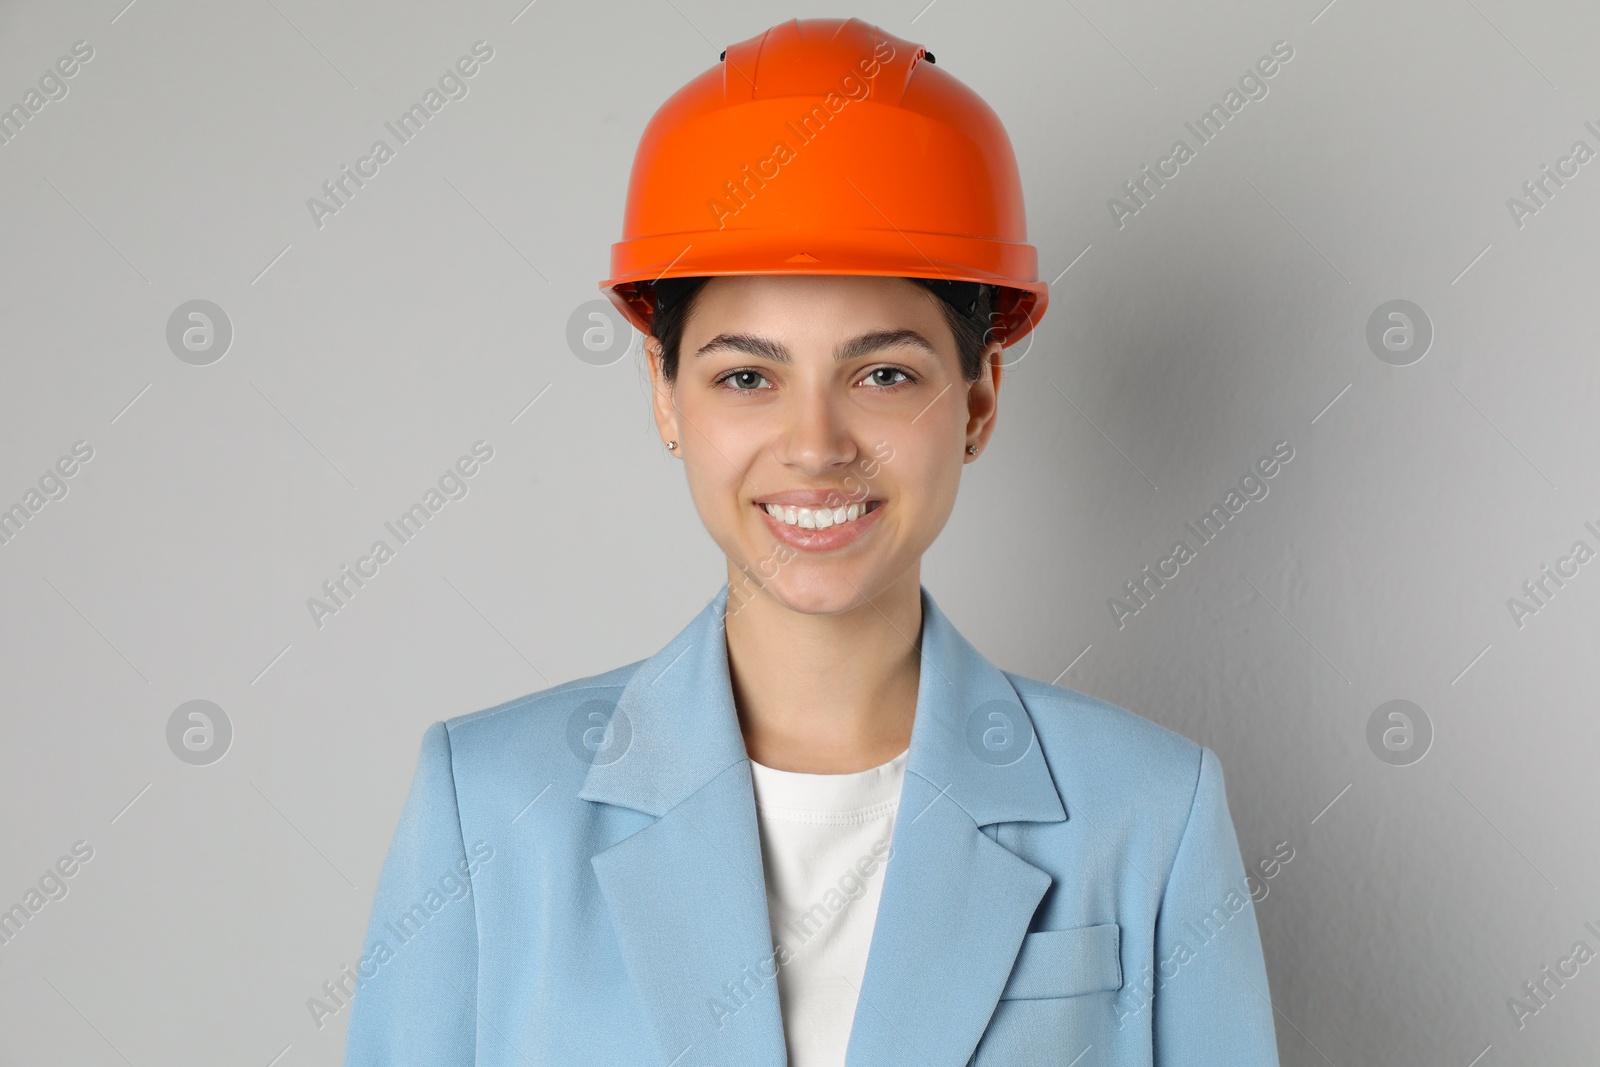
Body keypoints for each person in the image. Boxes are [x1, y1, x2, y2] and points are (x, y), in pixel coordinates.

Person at [342, 17, 1280, 1066]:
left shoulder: (1148, 810)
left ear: (976, 401)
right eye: (747, 375)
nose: (816, 444)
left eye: (884, 374)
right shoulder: (489, 804)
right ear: (665, 396)